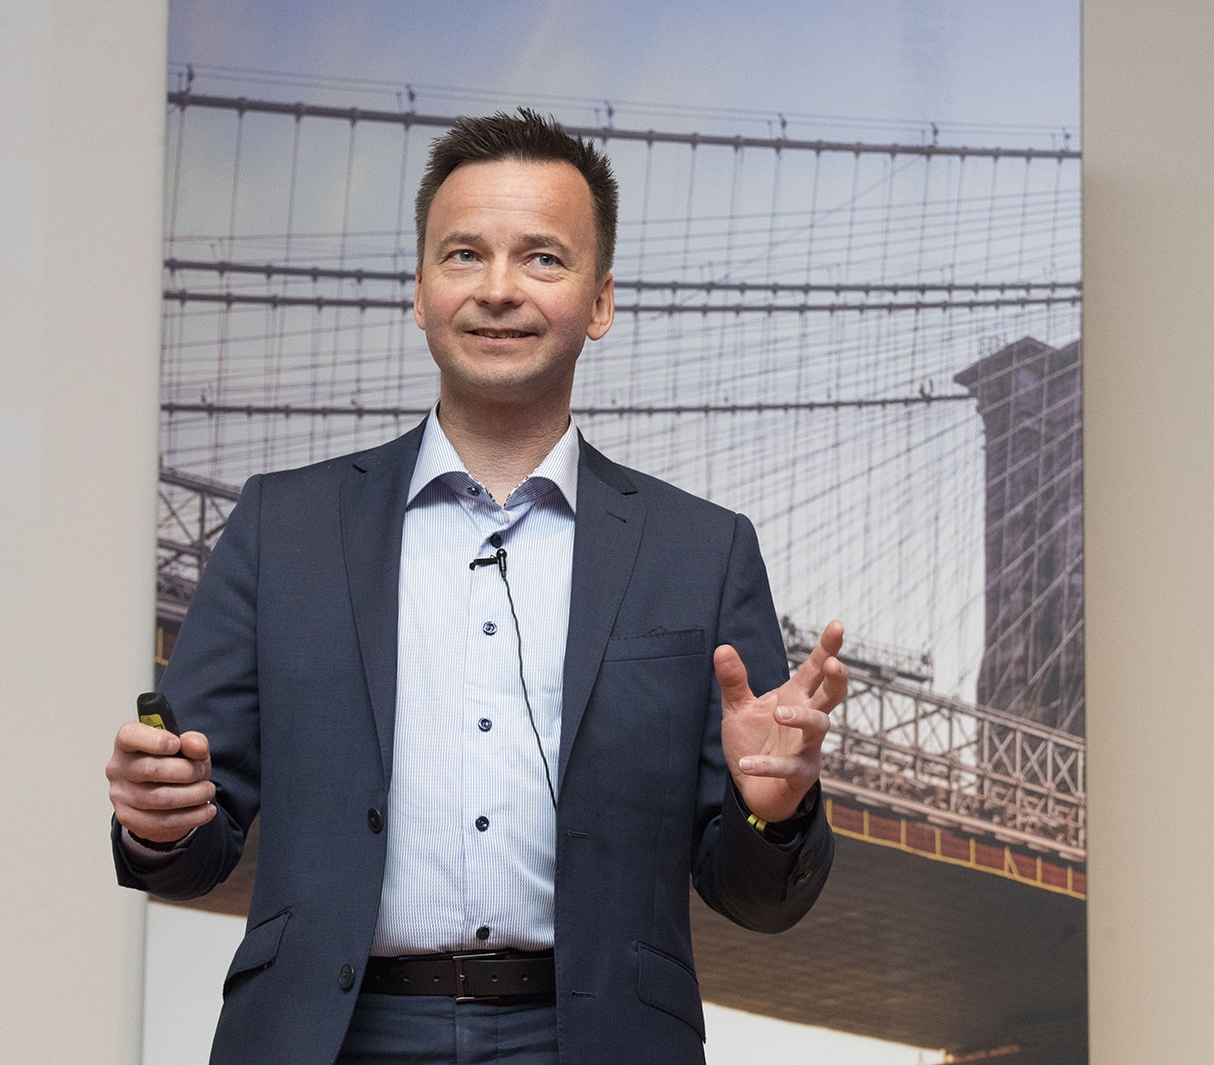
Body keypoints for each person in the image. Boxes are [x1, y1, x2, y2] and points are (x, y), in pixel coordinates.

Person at [107, 107, 846, 1065]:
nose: (498, 289)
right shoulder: (280, 528)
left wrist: (772, 812)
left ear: (601, 302)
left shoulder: (701, 552)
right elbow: (192, 852)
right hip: (329, 1039)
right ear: (419, 293)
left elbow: (756, 896)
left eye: (542, 258)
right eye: (463, 255)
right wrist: (159, 819)